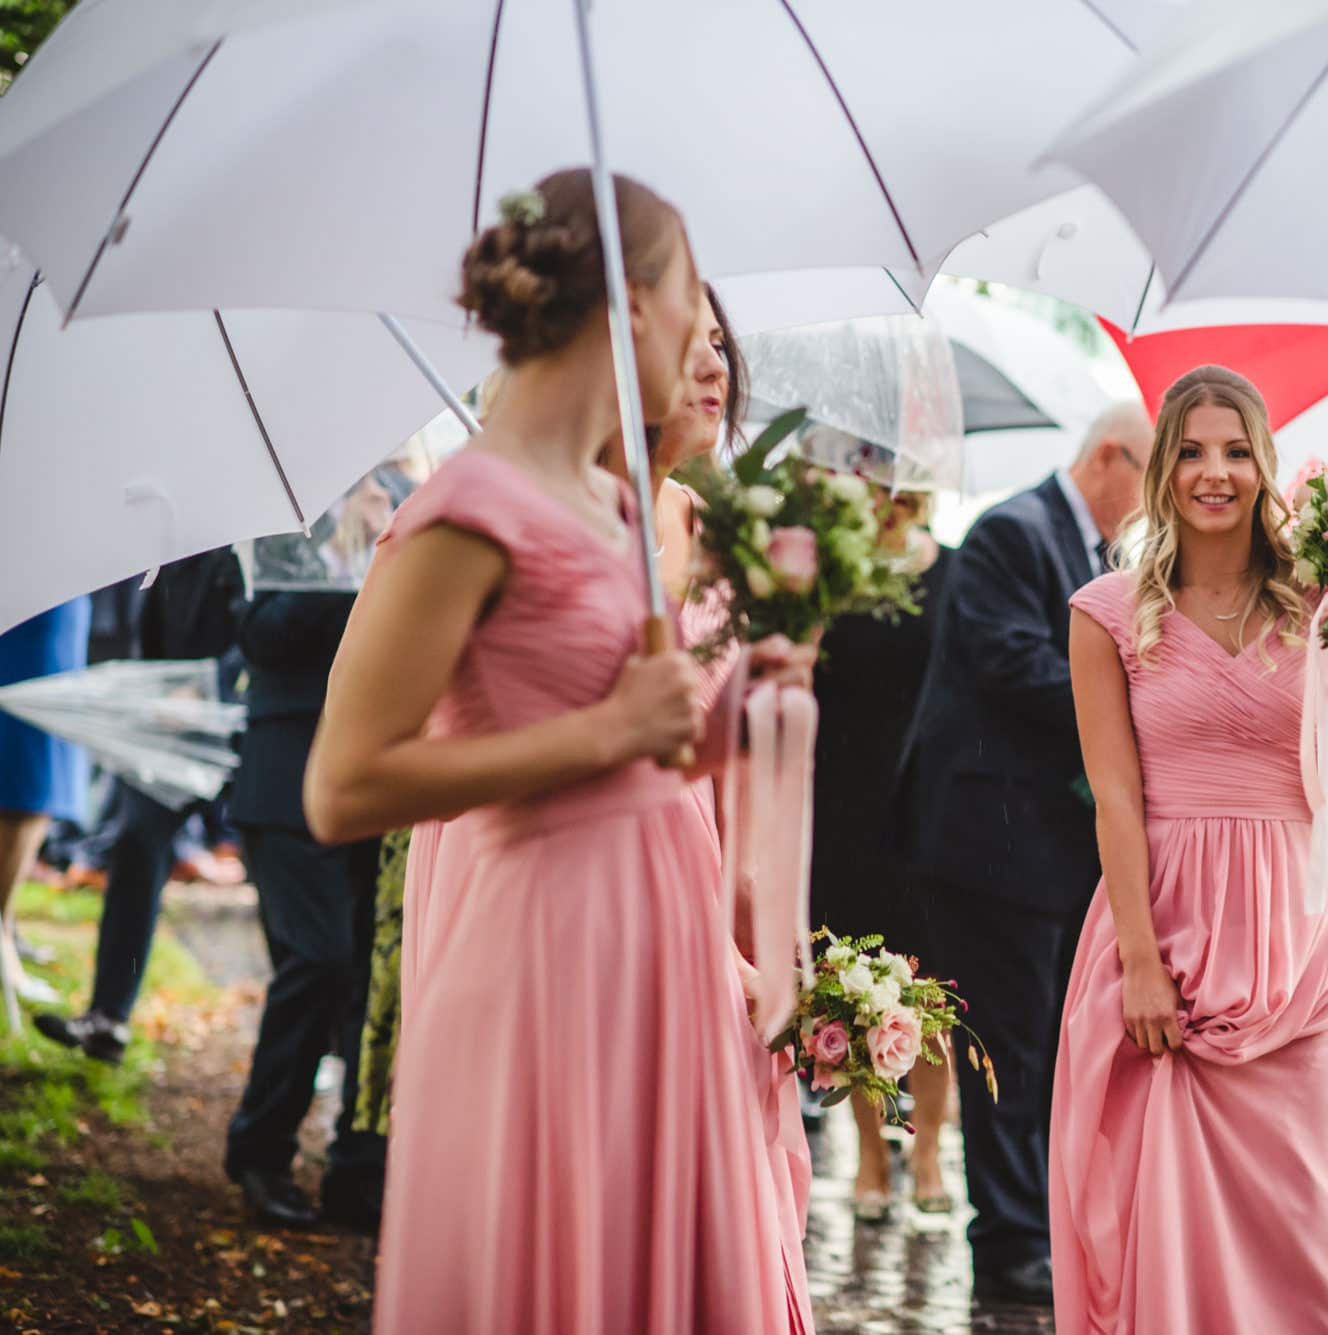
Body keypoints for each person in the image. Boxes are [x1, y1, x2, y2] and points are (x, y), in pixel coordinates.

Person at [304, 168, 816, 1332]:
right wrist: (605, 729)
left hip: (664, 939)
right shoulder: (466, 509)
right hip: (546, 942)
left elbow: (656, 749)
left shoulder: (626, 517)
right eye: (690, 293)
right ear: (631, 306)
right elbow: (343, 785)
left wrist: (744, 701)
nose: (704, 330)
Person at [1051, 365, 1328, 1333]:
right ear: (1160, 471)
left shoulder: (1326, 603)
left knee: (1305, 1229)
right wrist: (1139, 966)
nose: (1213, 472)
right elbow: (1113, 797)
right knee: (1168, 1225)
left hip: (1296, 944)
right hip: (1165, 941)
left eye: (1235, 451)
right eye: (1189, 451)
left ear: (1264, 465)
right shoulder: (1103, 613)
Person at [897, 400, 1150, 1302]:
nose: (1149, 500)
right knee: (1009, 1046)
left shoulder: (1087, 550)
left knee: (1044, 1043)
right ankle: (1008, 1244)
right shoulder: (1013, 530)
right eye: (1149, 476)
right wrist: (1138, 703)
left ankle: (1035, 1228)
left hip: (1043, 849)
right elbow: (1012, 665)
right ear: (1111, 456)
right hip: (990, 843)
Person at [33, 551, 245, 1060]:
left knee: (283, 888)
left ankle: (319, 1050)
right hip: (167, 729)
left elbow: (257, 634)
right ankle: (108, 1020)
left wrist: (206, 687)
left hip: (244, 729)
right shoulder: (169, 547)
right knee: (135, 845)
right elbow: (150, 633)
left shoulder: (256, 539)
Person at [809, 484, 954, 1221]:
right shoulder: (832, 575)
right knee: (848, 993)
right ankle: (870, 1153)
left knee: (928, 997)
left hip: (928, 810)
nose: (889, 493)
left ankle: (925, 1148)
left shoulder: (953, 573)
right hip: (840, 809)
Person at [221, 586, 385, 1231]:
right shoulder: (289, 541)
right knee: (319, 962)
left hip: (382, 778)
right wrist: (367, 590)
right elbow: (261, 632)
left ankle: (360, 1168)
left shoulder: (409, 500)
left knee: (376, 982)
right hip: (287, 778)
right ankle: (260, 1152)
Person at [0, 597, 90, 1020]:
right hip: (23, 603)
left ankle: (6, 926)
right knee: (22, 777)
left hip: (53, 601)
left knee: (40, 778)